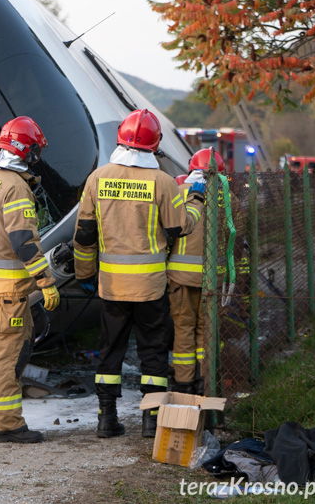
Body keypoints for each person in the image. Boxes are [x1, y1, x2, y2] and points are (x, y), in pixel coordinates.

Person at [72, 109, 205, 439]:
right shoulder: (161, 181)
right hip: (150, 288)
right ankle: (151, 420)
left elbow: (84, 234)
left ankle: (106, 419)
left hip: (112, 288)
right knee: (153, 352)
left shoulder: (97, 178)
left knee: (110, 351)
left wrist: (84, 273)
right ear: (154, 144)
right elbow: (179, 228)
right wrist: (196, 201)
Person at [0, 116, 61, 444]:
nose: (38, 154)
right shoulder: (15, 186)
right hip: (7, 286)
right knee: (8, 353)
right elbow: (23, 239)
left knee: (16, 344)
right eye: (35, 148)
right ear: (26, 149)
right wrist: (45, 280)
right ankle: (8, 424)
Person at [167, 148, 223, 395]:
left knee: (183, 330)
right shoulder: (228, 200)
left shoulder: (178, 193)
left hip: (179, 278)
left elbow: (168, 234)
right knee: (206, 332)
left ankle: (183, 383)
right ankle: (205, 381)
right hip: (212, 280)